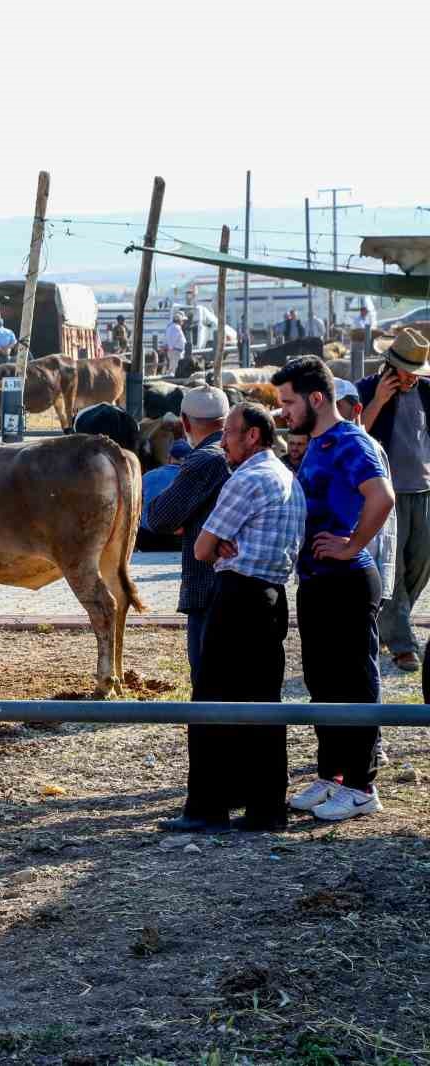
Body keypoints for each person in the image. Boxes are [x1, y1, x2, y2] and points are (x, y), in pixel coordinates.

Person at [160, 402, 306, 833]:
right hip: (272, 596)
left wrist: (217, 543)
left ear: (252, 436)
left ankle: (208, 807)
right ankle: (265, 808)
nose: (222, 442)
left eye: (229, 433)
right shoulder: (287, 477)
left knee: (211, 701)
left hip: (237, 596)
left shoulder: (246, 480)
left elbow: (202, 549)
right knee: (263, 703)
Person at [273, 355, 394, 822]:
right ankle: (333, 775)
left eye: (289, 402)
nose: (283, 412)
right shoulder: (319, 444)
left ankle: (363, 786)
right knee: (323, 682)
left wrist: (352, 544)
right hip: (317, 581)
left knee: (354, 682)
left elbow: (382, 496)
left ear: (317, 399)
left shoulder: (349, 441)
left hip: (347, 580)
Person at [144, 386, 233, 686]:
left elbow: (159, 518)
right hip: (245, 583)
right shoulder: (246, 454)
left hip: (208, 586)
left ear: (184, 421)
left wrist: (184, 516)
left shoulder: (203, 460)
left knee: (208, 682)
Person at [356, 328, 430, 671]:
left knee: (421, 562)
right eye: (407, 370)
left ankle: (390, 622)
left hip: (423, 489)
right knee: (394, 566)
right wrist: (378, 402)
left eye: (416, 370)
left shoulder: (426, 391)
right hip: (386, 492)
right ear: (391, 365)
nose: (412, 376)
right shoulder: (367, 389)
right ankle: (402, 644)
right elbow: (356, 434)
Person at [336, 376, 397, 606]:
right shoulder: (324, 444)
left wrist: (352, 547)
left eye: (338, 406)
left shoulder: (365, 448)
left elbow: (383, 509)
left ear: (356, 410)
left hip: (358, 563)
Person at [162, 313, 188, 378]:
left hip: (175, 351)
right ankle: (173, 379)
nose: (183, 322)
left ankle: (171, 377)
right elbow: (173, 339)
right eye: (182, 320)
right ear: (179, 320)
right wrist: (171, 348)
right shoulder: (176, 327)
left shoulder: (171, 326)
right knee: (175, 368)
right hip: (175, 351)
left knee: (172, 367)